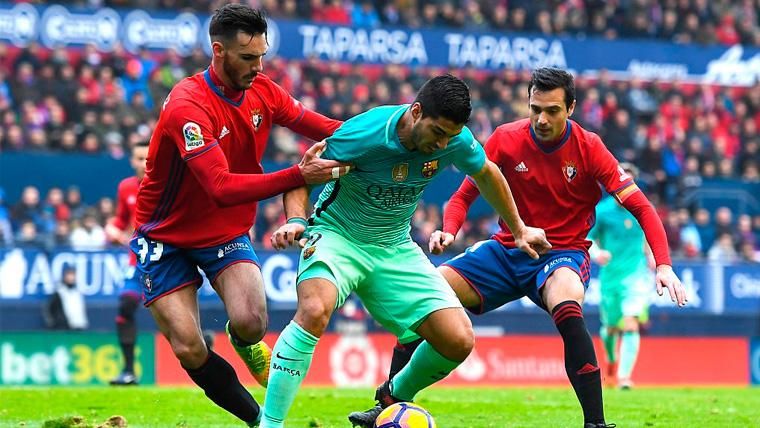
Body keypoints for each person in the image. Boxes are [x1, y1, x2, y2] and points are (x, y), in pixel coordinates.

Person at [348, 68, 687, 428]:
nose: (542, 119)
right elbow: (463, 195)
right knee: (427, 296)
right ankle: (387, 404)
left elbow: (642, 207)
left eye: (552, 110)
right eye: (535, 108)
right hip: (505, 250)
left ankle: (595, 423)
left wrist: (664, 265)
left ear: (570, 108)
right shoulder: (506, 138)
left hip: (562, 253)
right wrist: (449, 230)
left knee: (568, 305)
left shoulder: (590, 148)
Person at [262, 74, 551, 427]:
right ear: (416, 112)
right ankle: (270, 424)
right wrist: (296, 221)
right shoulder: (364, 132)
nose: (443, 143)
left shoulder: (455, 140)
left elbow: (487, 174)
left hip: (394, 245)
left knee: (458, 340)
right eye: (437, 132)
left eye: (450, 135)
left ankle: (391, 396)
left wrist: (519, 229)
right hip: (338, 236)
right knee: (314, 308)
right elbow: (302, 177)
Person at [131, 4, 349, 426]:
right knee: (190, 348)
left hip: (223, 233)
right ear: (218, 51)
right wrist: (297, 175)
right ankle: (258, 420)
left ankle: (241, 340)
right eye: (249, 58)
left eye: (262, 56)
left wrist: (392, 135)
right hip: (165, 237)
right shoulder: (187, 106)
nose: (259, 66)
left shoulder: (265, 91)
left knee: (251, 322)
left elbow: (325, 126)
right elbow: (220, 186)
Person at [588, 162, 653, 390]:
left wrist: (653, 257)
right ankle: (612, 360)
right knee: (610, 329)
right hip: (611, 277)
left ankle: (624, 377)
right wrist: (597, 253)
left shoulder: (641, 207)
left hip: (636, 276)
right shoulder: (602, 211)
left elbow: (650, 231)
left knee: (630, 323)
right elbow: (587, 238)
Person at [106, 141, 148, 386]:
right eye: (139, 158)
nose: (143, 163)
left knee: (174, 319)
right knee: (126, 304)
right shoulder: (126, 188)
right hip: (137, 260)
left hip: (165, 259)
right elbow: (121, 220)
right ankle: (129, 371)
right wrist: (113, 229)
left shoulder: (166, 183)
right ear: (131, 161)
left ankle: (203, 343)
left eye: (147, 158)